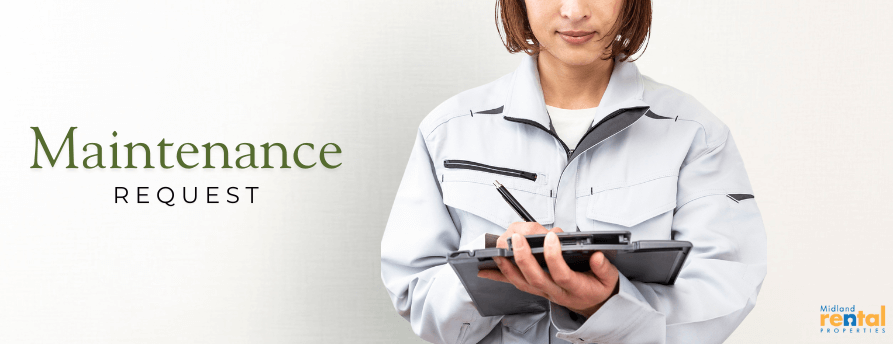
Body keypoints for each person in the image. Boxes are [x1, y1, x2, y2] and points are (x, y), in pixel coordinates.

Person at [380, 0, 767, 343]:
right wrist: (490, 271)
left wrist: (609, 306)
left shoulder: (693, 135)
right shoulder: (449, 130)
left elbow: (725, 292)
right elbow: (416, 297)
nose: (574, 11)